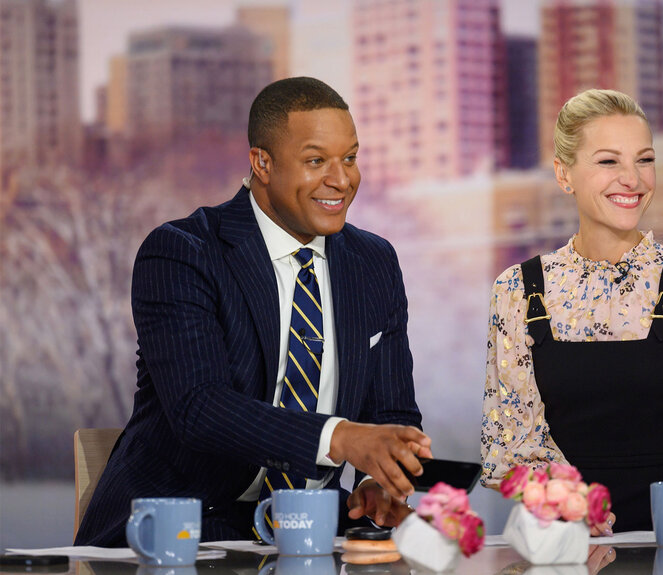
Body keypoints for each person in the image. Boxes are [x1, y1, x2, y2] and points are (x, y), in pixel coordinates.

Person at [75, 77, 431, 546]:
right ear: (262, 163)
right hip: (178, 533)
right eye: (315, 161)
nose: (342, 180)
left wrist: (374, 484)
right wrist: (340, 439)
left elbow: (392, 413)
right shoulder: (183, 252)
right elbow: (199, 408)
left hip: (313, 535)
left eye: (350, 158)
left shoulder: (374, 261)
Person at [480, 89, 663, 533]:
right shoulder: (518, 291)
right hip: (561, 551)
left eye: (645, 159)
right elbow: (511, 445)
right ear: (564, 174)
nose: (632, 179)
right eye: (608, 161)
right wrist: (572, 512)